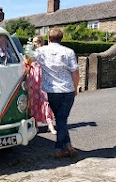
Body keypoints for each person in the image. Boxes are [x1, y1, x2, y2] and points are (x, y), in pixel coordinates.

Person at [34, 28, 79, 158]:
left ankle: (68, 146)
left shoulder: (40, 51)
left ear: (48, 39)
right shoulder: (69, 52)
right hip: (67, 89)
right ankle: (60, 148)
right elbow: (75, 72)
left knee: (61, 119)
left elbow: (27, 61)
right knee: (62, 118)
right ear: (61, 39)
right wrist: (75, 87)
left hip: (52, 90)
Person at [27, 36, 56, 135]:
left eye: (38, 41)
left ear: (42, 42)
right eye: (34, 42)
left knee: (45, 99)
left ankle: (50, 124)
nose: (36, 43)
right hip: (33, 77)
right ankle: (35, 125)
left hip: (43, 75)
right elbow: (26, 64)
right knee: (32, 100)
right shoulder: (29, 51)